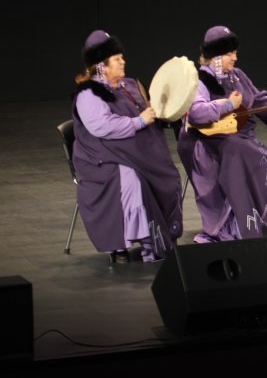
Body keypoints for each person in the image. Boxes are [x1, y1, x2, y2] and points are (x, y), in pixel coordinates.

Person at [177, 25, 267, 243]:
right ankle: (236, 224)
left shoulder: (236, 75)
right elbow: (196, 112)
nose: (235, 58)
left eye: (234, 53)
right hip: (209, 142)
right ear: (216, 56)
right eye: (230, 53)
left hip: (237, 138)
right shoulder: (199, 81)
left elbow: (258, 100)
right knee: (242, 155)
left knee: (266, 160)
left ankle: (262, 220)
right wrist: (228, 104)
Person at [71, 30, 184, 262]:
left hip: (134, 151)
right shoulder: (88, 94)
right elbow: (101, 126)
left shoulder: (130, 85)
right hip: (102, 158)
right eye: (117, 58)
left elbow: (151, 109)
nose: (123, 61)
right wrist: (139, 121)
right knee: (134, 179)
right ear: (101, 65)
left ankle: (163, 236)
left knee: (169, 178)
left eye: (122, 57)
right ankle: (144, 241)